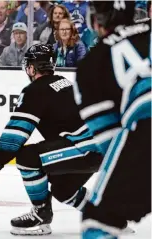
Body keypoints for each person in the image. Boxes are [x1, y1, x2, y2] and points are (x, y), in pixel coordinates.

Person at [0, 44, 104, 235]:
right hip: (102, 147)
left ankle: (41, 212)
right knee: (63, 190)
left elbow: (15, 135)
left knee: (28, 158)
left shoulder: (35, 90)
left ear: (32, 68)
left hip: (85, 148)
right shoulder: (65, 82)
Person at [73, 1, 151, 238]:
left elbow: (111, 141)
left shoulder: (93, 61)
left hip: (145, 127)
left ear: (97, 20)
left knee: (99, 219)